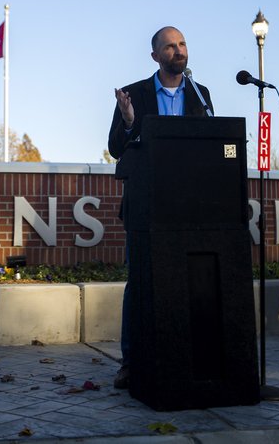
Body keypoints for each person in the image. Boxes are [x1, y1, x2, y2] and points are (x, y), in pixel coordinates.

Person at [108, 26, 213, 389]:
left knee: (187, 283)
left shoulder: (201, 94)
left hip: (188, 207)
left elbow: (210, 145)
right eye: (169, 46)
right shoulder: (133, 94)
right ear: (155, 56)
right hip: (145, 208)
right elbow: (116, 148)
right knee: (139, 284)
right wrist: (129, 122)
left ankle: (182, 356)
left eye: (182, 43)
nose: (178, 50)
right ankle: (131, 363)